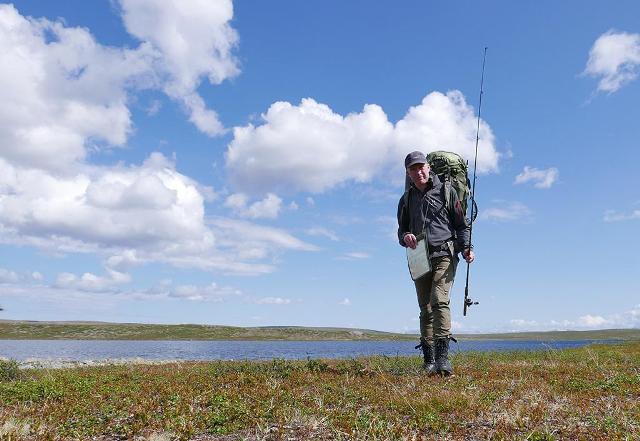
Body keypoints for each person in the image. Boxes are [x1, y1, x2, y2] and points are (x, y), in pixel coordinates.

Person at [397, 151, 475, 376]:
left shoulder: (447, 192)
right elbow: (401, 230)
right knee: (425, 307)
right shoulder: (405, 200)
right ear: (408, 173)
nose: (418, 171)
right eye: (413, 168)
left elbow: (462, 224)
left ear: (429, 168)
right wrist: (405, 237)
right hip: (419, 256)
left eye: (421, 167)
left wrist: (467, 247)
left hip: (444, 253)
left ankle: (443, 359)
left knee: (439, 300)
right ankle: (429, 360)